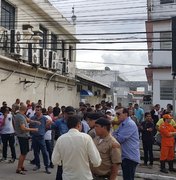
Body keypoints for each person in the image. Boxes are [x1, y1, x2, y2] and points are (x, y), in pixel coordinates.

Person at [52, 115, 102, 180]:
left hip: (68, 177)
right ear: (79, 125)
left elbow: (54, 160)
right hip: (84, 176)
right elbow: (96, 161)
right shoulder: (86, 138)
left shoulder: (61, 139)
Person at [113, 108, 140, 180]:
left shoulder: (129, 124)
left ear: (125, 114)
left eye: (119, 114)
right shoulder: (123, 123)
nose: (117, 116)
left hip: (130, 157)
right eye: (116, 114)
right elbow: (114, 134)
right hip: (125, 156)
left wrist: (114, 136)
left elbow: (119, 139)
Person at [14, 104, 38, 175]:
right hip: (22, 137)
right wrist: (34, 129)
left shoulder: (22, 115)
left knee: (25, 152)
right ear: (25, 110)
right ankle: (18, 168)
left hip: (24, 136)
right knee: (23, 153)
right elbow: (23, 128)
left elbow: (28, 120)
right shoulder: (20, 117)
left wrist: (35, 122)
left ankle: (21, 166)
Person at [30, 105, 52, 174]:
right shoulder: (33, 118)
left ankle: (46, 167)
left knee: (44, 152)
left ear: (41, 111)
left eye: (38, 110)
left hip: (41, 138)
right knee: (36, 152)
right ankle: (37, 165)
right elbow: (30, 126)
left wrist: (43, 131)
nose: (37, 111)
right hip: (34, 137)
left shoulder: (44, 119)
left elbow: (49, 127)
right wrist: (32, 134)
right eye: (36, 110)